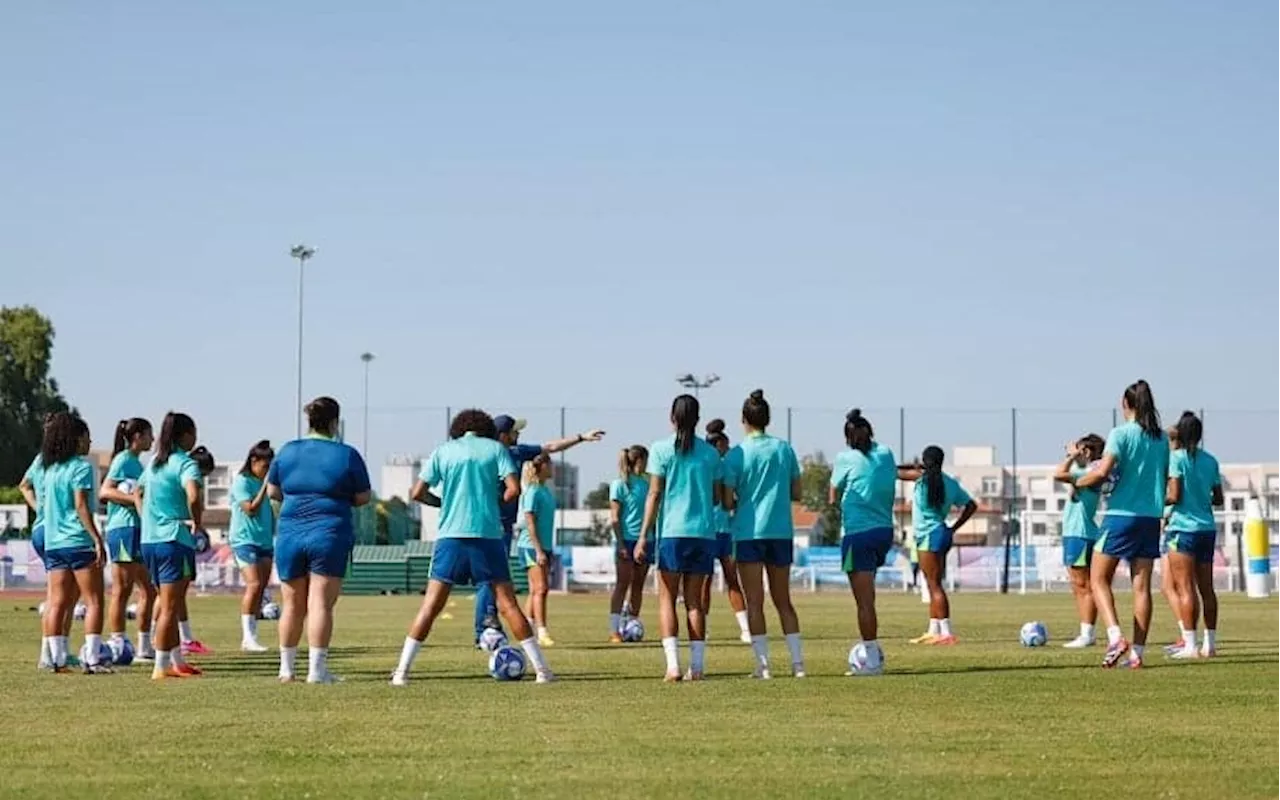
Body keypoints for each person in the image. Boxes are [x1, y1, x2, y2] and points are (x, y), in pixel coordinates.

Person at [392, 409, 554, 685]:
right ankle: (542, 671)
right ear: (487, 429)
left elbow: (417, 493)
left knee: (430, 606)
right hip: (488, 535)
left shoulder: (443, 451)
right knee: (508, 605)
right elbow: (514, 489)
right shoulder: (496, 450)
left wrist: (442, 503)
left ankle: (402, 673)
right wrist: (493, 505)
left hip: (451, 537)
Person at [473, 415, 605, 646]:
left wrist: (581, 438)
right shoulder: (488, 455)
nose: (519, 435)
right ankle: (484, 627)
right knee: (490, 577)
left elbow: (550, 446)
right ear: (504, 435)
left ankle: (491, 625)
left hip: (503, 527)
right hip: (489, 526)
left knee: (497, 577)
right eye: (515, 431)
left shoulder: (515, 452)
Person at [268, 397, 372, 684]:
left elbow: (273, 491)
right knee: (320, 604)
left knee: (291, 605)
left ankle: (286, 670)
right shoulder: (347, 454)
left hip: (289, 533)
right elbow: (363, 496)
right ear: (334, 423)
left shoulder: (287, 451)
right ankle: (317, 671)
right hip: (329, 532)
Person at [1075, 379, 1169, 669]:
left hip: (1121, 516)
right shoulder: (1162, 438)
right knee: (1142, 588)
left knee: (1097, 579)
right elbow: (1162, 477)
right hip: (1151, 518)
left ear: (1125, 404)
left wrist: (1081, 480)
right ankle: (1137, 654)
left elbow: (1103, 472)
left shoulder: (1119, 433)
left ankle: (1115, 636)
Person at [635, 394, 722, 682]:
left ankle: (673, 666)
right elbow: (718, 496)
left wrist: (642, 535)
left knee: (667, 600)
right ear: (697, 419)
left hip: (671, 534)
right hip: (703, 534)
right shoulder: (710, 454)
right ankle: (696, 668)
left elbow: (654, 494)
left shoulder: (660, 450)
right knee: (695, 602)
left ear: (672, 417)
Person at [722, 390, 804, 678]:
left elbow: (728, 500)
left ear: (743, 420)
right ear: (768, 419)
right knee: (784, 600)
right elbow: (797, 491)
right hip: (780, 531)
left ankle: (764, 667)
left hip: (748, 533)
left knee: (754, 602)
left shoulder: (736, 455)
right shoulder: (785, 449)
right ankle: (798, 665)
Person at [829, 409, 901, 675]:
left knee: (864, 602)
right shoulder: (886, 453)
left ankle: (871, 660)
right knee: (868, 597)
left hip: (857, 534)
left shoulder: (845, 458)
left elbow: (832, 494)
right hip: (884, 532)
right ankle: (870, 652)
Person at [136, 412, 206, 680]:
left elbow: (137, 492)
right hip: (174, 538)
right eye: (194, 432)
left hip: (150, 539)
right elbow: (194, 494)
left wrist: (148, 518)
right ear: (185, 435)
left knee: (170, 604)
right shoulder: (185, 463)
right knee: (169, 606)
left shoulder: (154, 463)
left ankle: (177, 661)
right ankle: (161, 665)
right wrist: (196, 521)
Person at [39, 413, 110, 674]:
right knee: (94, 601)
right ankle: (92, 659)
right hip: (78, 541)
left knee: (57, 602)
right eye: (86, 436)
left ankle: (56, 659)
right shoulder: (81, 467)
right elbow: (81, 505)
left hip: (54, 543)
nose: (90, 441)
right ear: (76, 439)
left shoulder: (50, 469)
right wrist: (96, 538)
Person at [901, 446, 977, 646]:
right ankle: (933, 629)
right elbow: (971, 505)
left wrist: (913, 465)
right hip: (942, 533)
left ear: (925, 462)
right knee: (932, 582)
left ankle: (946, 632)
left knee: (934, 584)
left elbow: (895, 473)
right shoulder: (950, 483)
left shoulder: (921, 480)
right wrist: (954, 528)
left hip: (928, 536)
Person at [1162, 412, 1222, 659]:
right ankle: (1210, 644)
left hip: (1183, 529)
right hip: (1206, 528)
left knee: (1185, 588)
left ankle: (1190, 645)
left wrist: (1157, 500)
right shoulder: (1211, 460)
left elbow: (1174, 495)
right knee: (1207, 588)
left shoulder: (1176, 459)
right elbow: (1218, 498)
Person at [100, 418, 157, 662]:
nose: (152, 440)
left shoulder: (137, 464)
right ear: (137, 436)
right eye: (148, 435)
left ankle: (144, 646)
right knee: (122, 590)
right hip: (122, 529)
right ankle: (118, 643)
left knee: (150, 590)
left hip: (138, 530)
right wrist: (135, 499)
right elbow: (105, 491)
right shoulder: (123, 460)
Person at [1052, 434, 1105, 648]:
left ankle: (1087, 634)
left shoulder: (1088, 473)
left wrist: (1071, 456)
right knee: (1080, 585)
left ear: (1087, 452)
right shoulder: (1085, 473)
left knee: (1084, 586)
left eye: (1081, 450)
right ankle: (1086, 632)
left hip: (1080, 533)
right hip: (1080, 533)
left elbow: (1058, 474)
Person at [702, 420, 751, 644]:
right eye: (726, 444)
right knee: (704, 582)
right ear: (719, 444)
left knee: (732, 580)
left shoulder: (725, 465)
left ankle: (745, 628)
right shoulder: (707, 464)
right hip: (707, 530)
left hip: (725, 531)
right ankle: (703, 627)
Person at [231, 440, 276, 652]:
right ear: (254, 461)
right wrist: (265, 486)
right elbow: (250, 509)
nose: (266, 471)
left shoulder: (263, 483)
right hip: (244, 540)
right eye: (264, 466)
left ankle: (253, 634)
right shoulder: (242, 481)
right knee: (254, 584)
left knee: (261, 589)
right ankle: (247, 637)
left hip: (264, 541)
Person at [608, 446, 650, 642]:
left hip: (646, 539)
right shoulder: (619, 484)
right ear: (639, 460)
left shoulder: (647, 483)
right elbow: (615, 517)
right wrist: (621, 543)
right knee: (622, 584)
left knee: (638, 585)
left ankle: (632, 624)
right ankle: (614, 630)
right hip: (627, 540)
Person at [517, 453, 557, 646]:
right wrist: (538, 550)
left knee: (536, 590)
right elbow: (530, 523)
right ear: (541, 467)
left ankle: (526, 629)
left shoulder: (545, 490)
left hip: (545, 546)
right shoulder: (532, 492)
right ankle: (542, 632)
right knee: (541, 589)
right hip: (531, 546)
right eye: (550, 465)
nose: (552, 469)